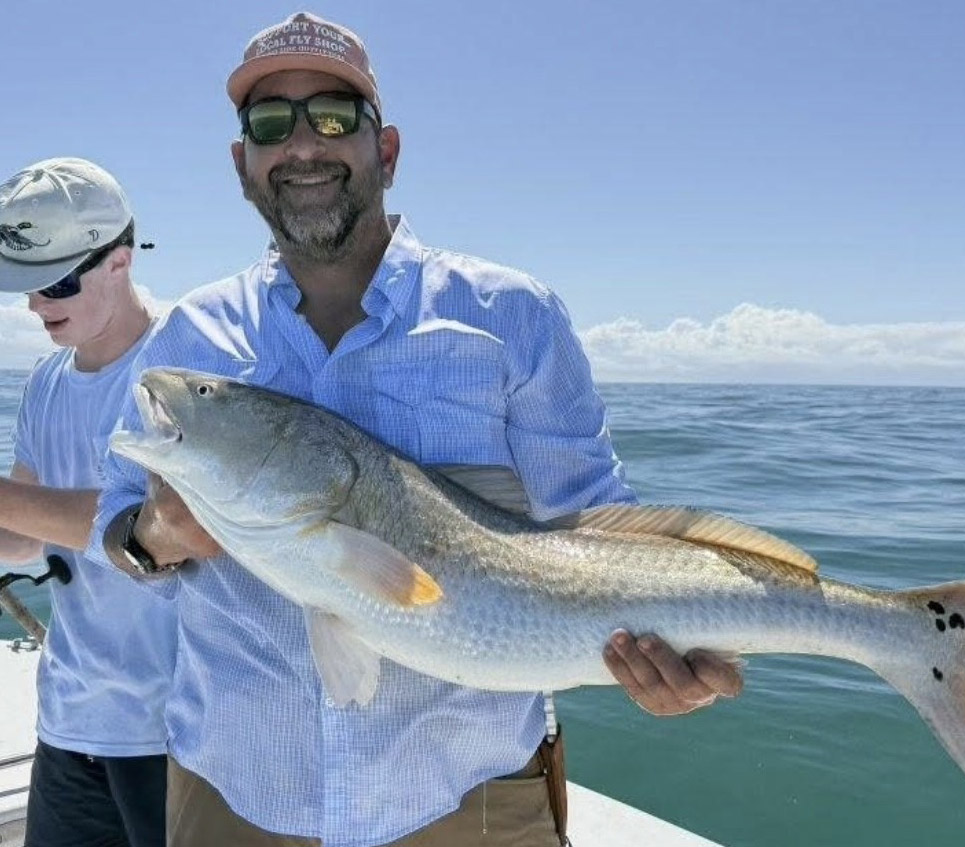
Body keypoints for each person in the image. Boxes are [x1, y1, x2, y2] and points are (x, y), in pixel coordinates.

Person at [93, 12, 743, 846]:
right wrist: (151, 536)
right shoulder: (188, 336)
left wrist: (670, 656)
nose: (303, 145)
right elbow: (114, 528)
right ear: (242, 163)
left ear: (387, 151)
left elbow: (596, 527)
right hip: (235, 793)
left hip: (469, 800)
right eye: (270, 123)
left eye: (335, 117)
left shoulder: (512, 315)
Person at [0, 157, 175, 847]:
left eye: (57, 283)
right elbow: (25, 535)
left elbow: (155, 529)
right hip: (69, 725)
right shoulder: (43, 382)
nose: (36, 306)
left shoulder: (184, 368)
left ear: (119, 261)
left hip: (175, 735)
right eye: (27, 283)